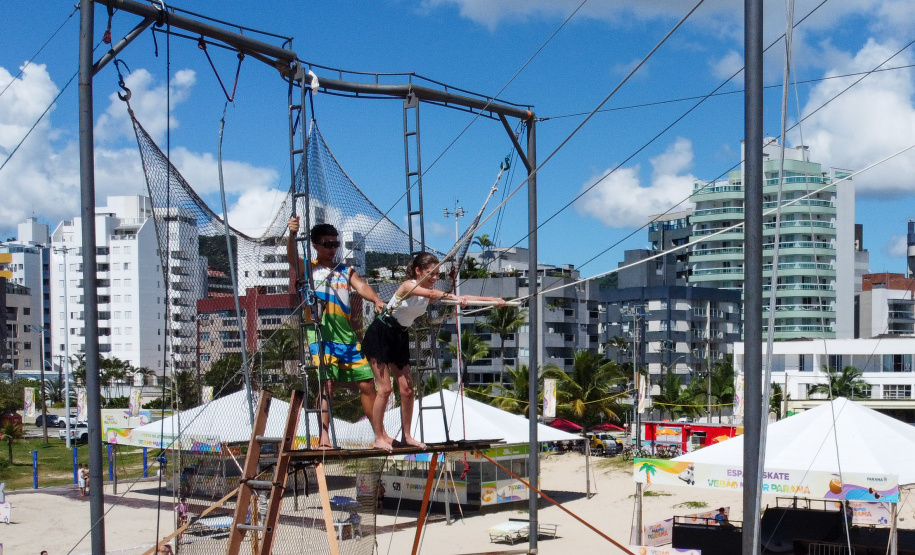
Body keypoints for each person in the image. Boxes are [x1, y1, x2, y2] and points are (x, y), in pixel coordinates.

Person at [361, 252, 506, 451]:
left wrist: (492, 300)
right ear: (418, 271)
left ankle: (407, 436)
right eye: (430, 273)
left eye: (437, 274)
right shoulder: (408, 286)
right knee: (385, 389)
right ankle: (378, 437)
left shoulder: (429, 294)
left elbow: (461, 298)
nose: (435, 278)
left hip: (400, 335)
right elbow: (432, 294)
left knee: (407, 390)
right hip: (380, 332)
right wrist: (452, 296)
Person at [288, 217, 386, 449]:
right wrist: (291, 235)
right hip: (321, 334)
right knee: (328, 383)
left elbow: (361, 286)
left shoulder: (345, 271)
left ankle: (379, 435)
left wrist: (376, 300)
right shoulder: (309, 269)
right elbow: (291, 258)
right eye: (327, 244)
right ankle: (323, 437)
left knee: (367, 383)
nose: (332, 249)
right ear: (315, 245)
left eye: (335, 244)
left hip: (347, 336)